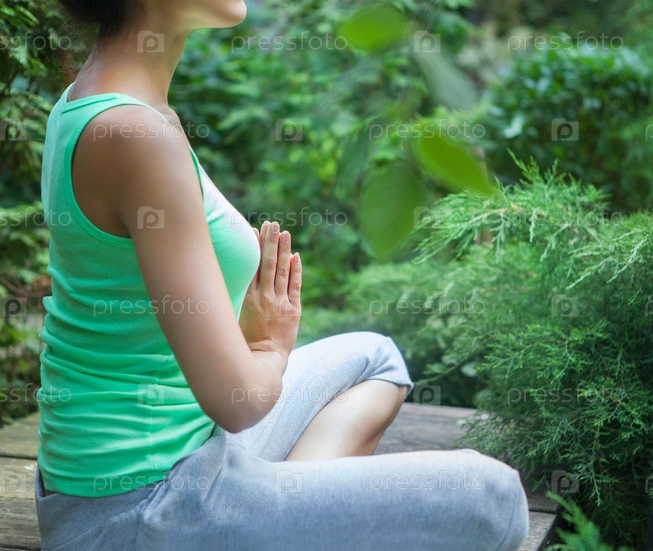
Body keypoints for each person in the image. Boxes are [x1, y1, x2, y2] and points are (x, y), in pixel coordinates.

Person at [34, 0, 530, 549]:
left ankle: (284, 517)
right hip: (141, 509)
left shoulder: (99, 100)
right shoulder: (133, 134)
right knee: (496, 498)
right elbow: (238, 400)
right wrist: (268, 347)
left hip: (183, 456)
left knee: (376, 360)